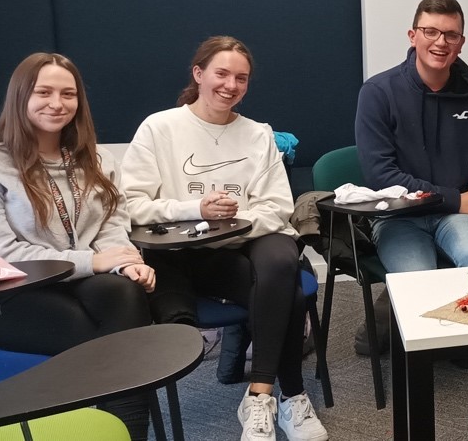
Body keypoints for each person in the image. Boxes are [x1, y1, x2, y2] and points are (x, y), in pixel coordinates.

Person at [121, 37, 327, 441]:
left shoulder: (258, 134)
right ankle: (294, 394)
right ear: (198, 74)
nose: (231, 85)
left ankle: (259, 394)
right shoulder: (160, 127)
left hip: (252, 239)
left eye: (241, 78)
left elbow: (277, 207)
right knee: (285, 292)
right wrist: (195, 211)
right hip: (191, 252)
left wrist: (235, 220)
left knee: (282, 259)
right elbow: (131, 206)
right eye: (221, 73)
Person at [0, 53, 155, 440]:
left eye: (68, 94)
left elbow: (112, 224)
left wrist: (124, 263)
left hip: (81, 281)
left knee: (126, 293)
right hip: (14, 294)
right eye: (44, 92)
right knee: (124, 346)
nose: (57, 103)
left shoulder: (98, 160)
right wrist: (95, 261)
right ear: (20, 96)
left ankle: (122, 431)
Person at [354, 0, 468, 441]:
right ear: (413, 35)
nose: (440, 42)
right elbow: (382, 175)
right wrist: (455, 200)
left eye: (450, 34)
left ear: (462, 41)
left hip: (457, 213)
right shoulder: (378, 92)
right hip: (400, 216)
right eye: (431, 31)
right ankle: (418, 380)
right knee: (417, 283)